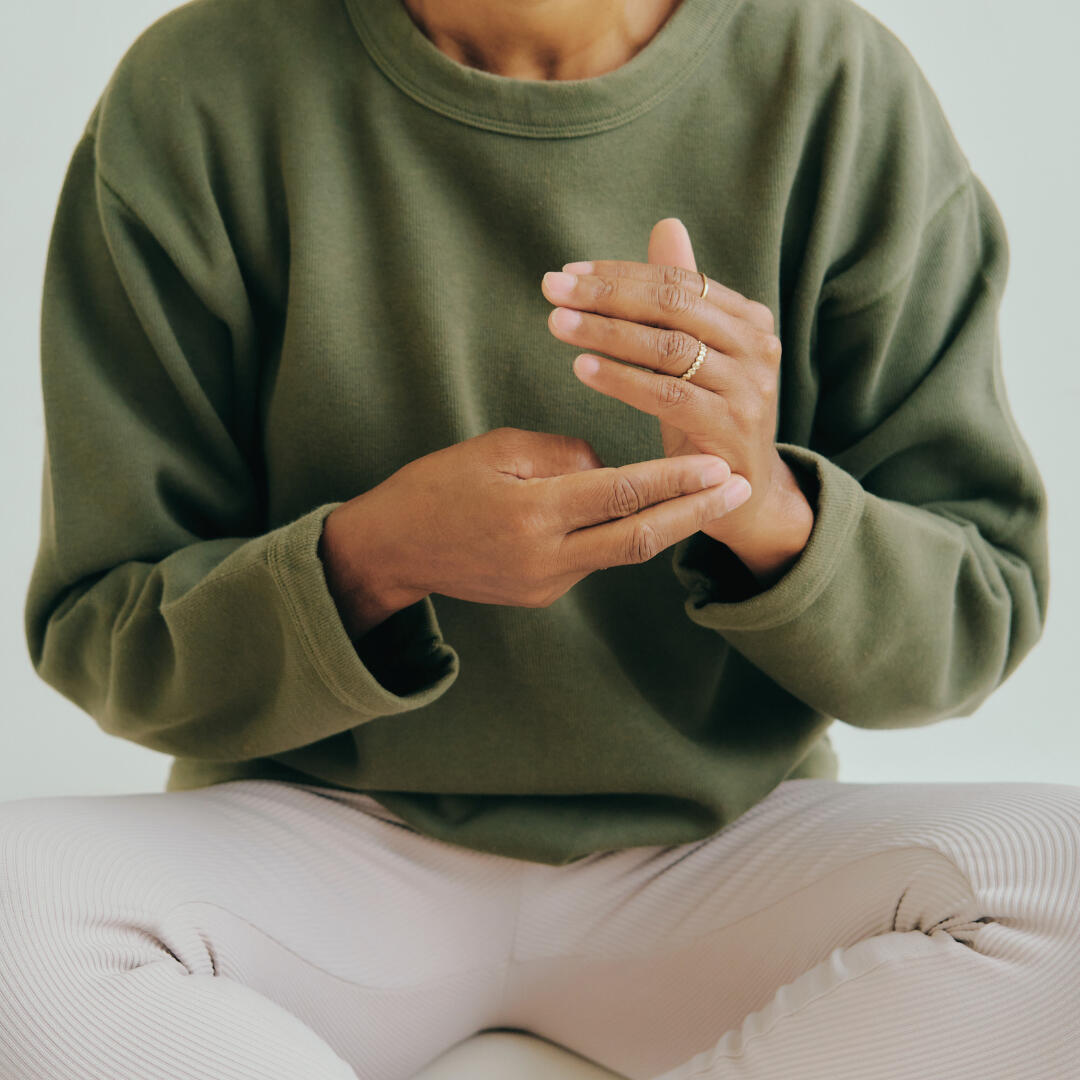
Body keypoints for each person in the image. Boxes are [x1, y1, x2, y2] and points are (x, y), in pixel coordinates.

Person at [3, 0, 1076, 1075]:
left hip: (725, 850)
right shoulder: (202, 85)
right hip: (314, 842)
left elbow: (971, 625)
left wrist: (762, 504)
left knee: (1058, 872)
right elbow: (103, 629)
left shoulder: (835, 85)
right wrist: (374, 562)